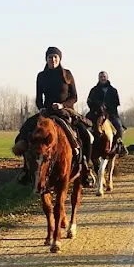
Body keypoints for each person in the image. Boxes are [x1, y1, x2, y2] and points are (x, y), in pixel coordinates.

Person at [32, 46, 93, 185]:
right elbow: (38, 98)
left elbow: (74, 96)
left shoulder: (67, 74)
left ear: (59, 59)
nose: (52, 60)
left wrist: (62, 105)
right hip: (47, 113)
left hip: (65, 111)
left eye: (55, 57)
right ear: (46, 59)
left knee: (86, 135)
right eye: (50, 57)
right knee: (25, 133)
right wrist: (41, 108)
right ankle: (28, 170)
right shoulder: (41, 76)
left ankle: (86, 166)